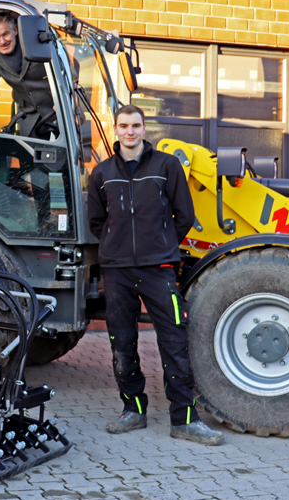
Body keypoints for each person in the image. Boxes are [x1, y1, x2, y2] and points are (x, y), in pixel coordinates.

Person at [86, 104, 224, 446]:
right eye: (123, 126)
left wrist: (162, 247)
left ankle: (184, 420)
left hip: (158, 267)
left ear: (144, 128)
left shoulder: (167, 166)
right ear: (115, 130)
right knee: (122, 342)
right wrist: (114, 247)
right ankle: (132, 411)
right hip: (117, 270)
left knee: (174, 340)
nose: (130, 131)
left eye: (136, 125)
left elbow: (184, 215)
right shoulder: (102, 173)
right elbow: (96, 222)